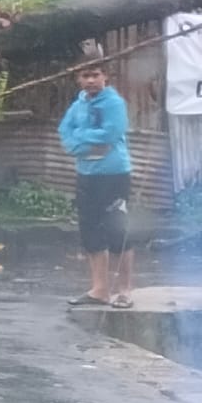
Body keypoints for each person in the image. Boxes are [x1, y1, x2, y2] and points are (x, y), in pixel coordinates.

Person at [58, 47, 134, 309]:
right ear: (78, 79)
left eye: (95, 75)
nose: (90, 80)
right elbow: (65, 132)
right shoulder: (78, 104)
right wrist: (81, 143)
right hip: (86, 175)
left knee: (117, 230)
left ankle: (124, 290)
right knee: (90, 231)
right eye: (85, 75)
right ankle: (99, 289)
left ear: (106, 77)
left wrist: (81, 138)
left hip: (113, 175)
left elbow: (111, 134)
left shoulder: (113, 103)